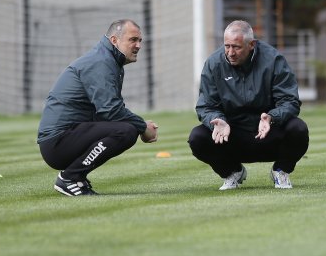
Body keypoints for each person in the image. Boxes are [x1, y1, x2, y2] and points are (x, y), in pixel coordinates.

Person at [37, 19, 159, 196]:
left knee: (125, 128)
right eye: (133, 39)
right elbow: (111, 110)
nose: (138, 45)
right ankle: (70, 178)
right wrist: (142, 127)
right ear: (114, 40)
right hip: (57, 143)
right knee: (126, 131)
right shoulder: (101, 62)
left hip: (64, 137)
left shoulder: (109, 60)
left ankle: (76, 177)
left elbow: (109, 112)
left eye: (140, 40)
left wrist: (139, 124)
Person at [188, 20, 309, 190]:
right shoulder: (214, 64)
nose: (230, 52)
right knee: (197, 137)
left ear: (251, 44)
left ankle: (281, 170)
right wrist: (217, 119)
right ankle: (232, 172)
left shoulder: (274, 60)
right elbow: (205, 106)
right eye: (227, 46)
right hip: (232, 136)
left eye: (236, 47)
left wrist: (272, 117)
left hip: (268, 133)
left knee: (299, 129)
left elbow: (290, 101)